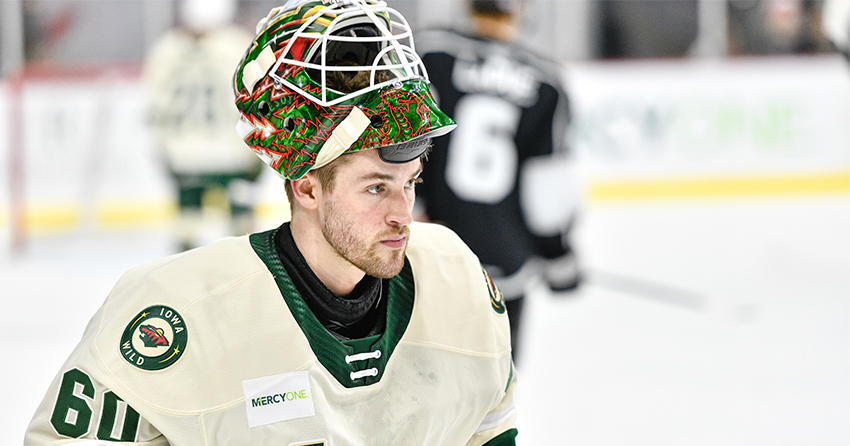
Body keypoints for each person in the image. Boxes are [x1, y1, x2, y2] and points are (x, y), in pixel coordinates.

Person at [24, 1, 519, 445]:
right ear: (306, 187)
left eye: (408, 182)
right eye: (374, 187)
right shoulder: (179, 314)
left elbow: (489, 427)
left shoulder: (457, 281)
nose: (402, 214)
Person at [416, 0, 581, 362]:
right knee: (493, 401)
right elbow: (547, 193)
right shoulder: (546, 83)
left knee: (419, 392)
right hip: (505, 269)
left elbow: (399, 148)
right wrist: (558, 257)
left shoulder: (429, 54)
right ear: (521, 8)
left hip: (428, 257)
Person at [144, 0, 264, 251]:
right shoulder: (236, 44)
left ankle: (182, 270)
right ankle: (247, 266)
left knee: (187, 216)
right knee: (241, 215)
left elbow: (156, 107)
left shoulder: (166, 49)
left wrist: (164, 150)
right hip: (231, 154)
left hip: (183, 155)